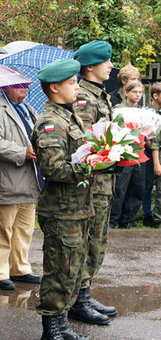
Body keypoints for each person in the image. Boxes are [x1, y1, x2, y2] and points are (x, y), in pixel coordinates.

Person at [31, 58, 93, 340]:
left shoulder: (69, 116)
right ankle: (50, 333)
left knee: (74, 270)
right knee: (59, 271)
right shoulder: (50, 122)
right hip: (61, 211)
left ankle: (62, 322)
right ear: (55, 87)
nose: (77, 86)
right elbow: (54, 169)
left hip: (77, 209)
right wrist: (91, 166)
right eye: (71, 82)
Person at [71, 40, 117, 325]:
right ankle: (79, 298)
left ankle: (85, 292)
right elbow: (86, 142)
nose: (111, 66)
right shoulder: (84, 98)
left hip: (104, 180)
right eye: (106, 61)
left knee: (98, 240)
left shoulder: (100, 95)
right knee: (89, 240)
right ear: (90, 66)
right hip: (92, 181)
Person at [0, 86, 42, 291]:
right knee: (3, 230)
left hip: (29, 180)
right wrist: (22, 152)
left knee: (25, 230)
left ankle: (20, 268)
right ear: (6, 87)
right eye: (18, 85)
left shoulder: (29, 109)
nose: (24, 88)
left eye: (25, 84)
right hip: (7, 181)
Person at [109, 80, 146, 228]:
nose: (138, 95)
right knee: (119, 189)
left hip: (139, 155)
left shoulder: (142, 112)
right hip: (123, 155)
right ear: (126, 93)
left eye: (140, 92)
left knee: (137, 189)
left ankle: (128, 221)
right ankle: (112, 221)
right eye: (134, 92)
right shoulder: (117, 110)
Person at [147, 83, 161, 226]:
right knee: (149, 186)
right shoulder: (150, 113)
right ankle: (153, 217)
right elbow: (154, 141)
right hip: (151, 154)